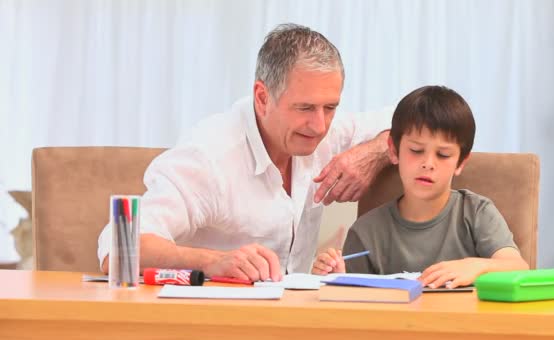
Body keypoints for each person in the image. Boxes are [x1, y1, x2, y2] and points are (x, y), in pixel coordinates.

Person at [97, 23, 393, 281]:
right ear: (263, 98)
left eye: (330, 107)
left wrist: (375, 151)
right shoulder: (210, 154)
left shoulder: (327, 129)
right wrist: (212, 261)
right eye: (304, 108)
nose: (319, 126)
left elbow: (416, 119)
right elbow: (118, 248)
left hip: (296, 318)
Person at [312, 85, 529, 289]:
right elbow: (353, 307)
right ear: (394, 151)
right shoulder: (366, 232)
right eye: (416, 151)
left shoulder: (476, 212)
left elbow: (518, 268)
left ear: (461, 162)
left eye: (443, 155)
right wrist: (336, 278)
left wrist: (477, 266)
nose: (428, 164)